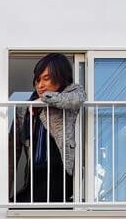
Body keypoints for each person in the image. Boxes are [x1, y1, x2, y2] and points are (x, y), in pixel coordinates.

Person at [24, 51, 85, 205]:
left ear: (60, 77)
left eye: (46, 78)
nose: (40, 85)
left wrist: (44, 100)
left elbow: (77, 99)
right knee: (17, 203)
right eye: (38, 80)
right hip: (36, 170)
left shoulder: (71, 92)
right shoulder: (30, 104)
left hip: (59, 168)